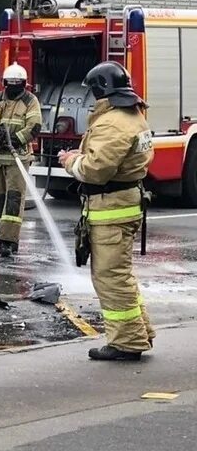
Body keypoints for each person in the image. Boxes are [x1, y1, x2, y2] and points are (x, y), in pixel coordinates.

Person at [59, 62, 155, 361]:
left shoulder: (112, 122)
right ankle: (140, 332)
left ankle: (126, 343)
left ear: (102, 90)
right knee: (120, 275)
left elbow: (96, 170)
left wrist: (70, 160)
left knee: (110, 276)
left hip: (110, 210)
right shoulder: (134, 116)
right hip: (124, 205)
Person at [0, 63, 43, 257]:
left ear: (23, 84)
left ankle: (8, 241)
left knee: (13, 199)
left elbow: (34, 126)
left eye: (17, 84)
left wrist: (13, 140)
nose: (13, 87)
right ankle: (6, 236)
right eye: (10, 83)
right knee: (0, 199)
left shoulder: (30, 100)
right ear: (5, 83)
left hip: (18, 158)